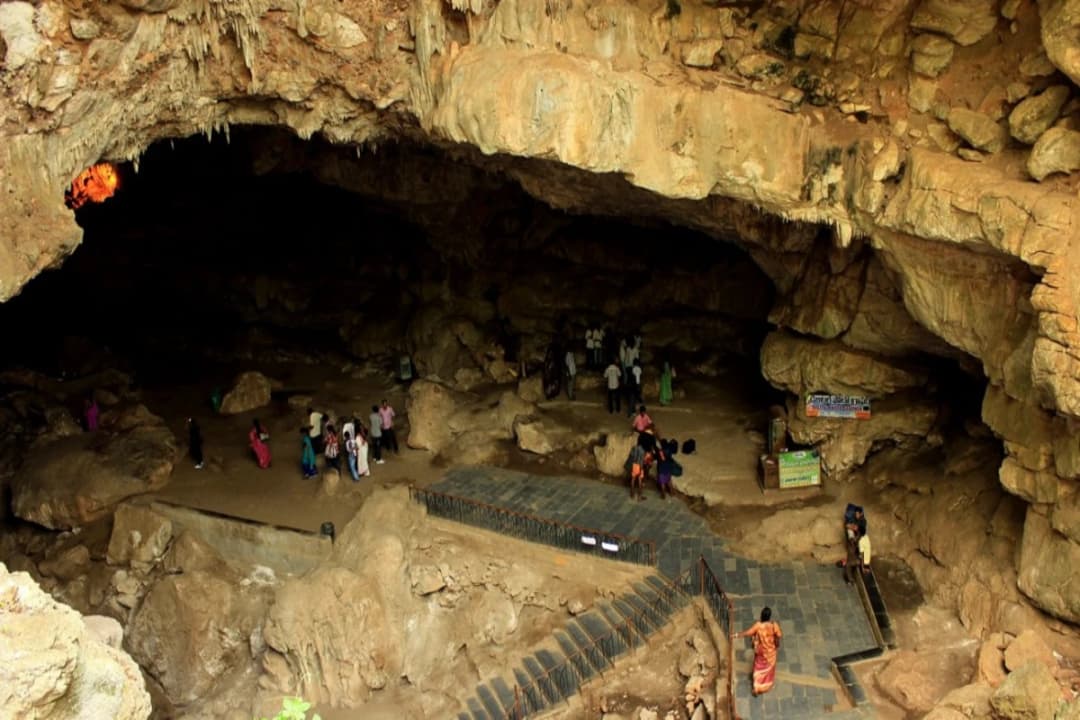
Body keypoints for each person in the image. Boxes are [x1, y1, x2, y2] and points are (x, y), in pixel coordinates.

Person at [736, 607, 783, 696]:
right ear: (769, 616)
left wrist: (737, 635)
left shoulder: (758, 626)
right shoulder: (774, 625)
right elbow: (779, 635)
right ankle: (766, 685)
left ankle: (757, 687)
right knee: (769, 670)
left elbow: (748, 632)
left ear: (762, 615)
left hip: (762, 653)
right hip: (771, 652)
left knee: (758, 669)